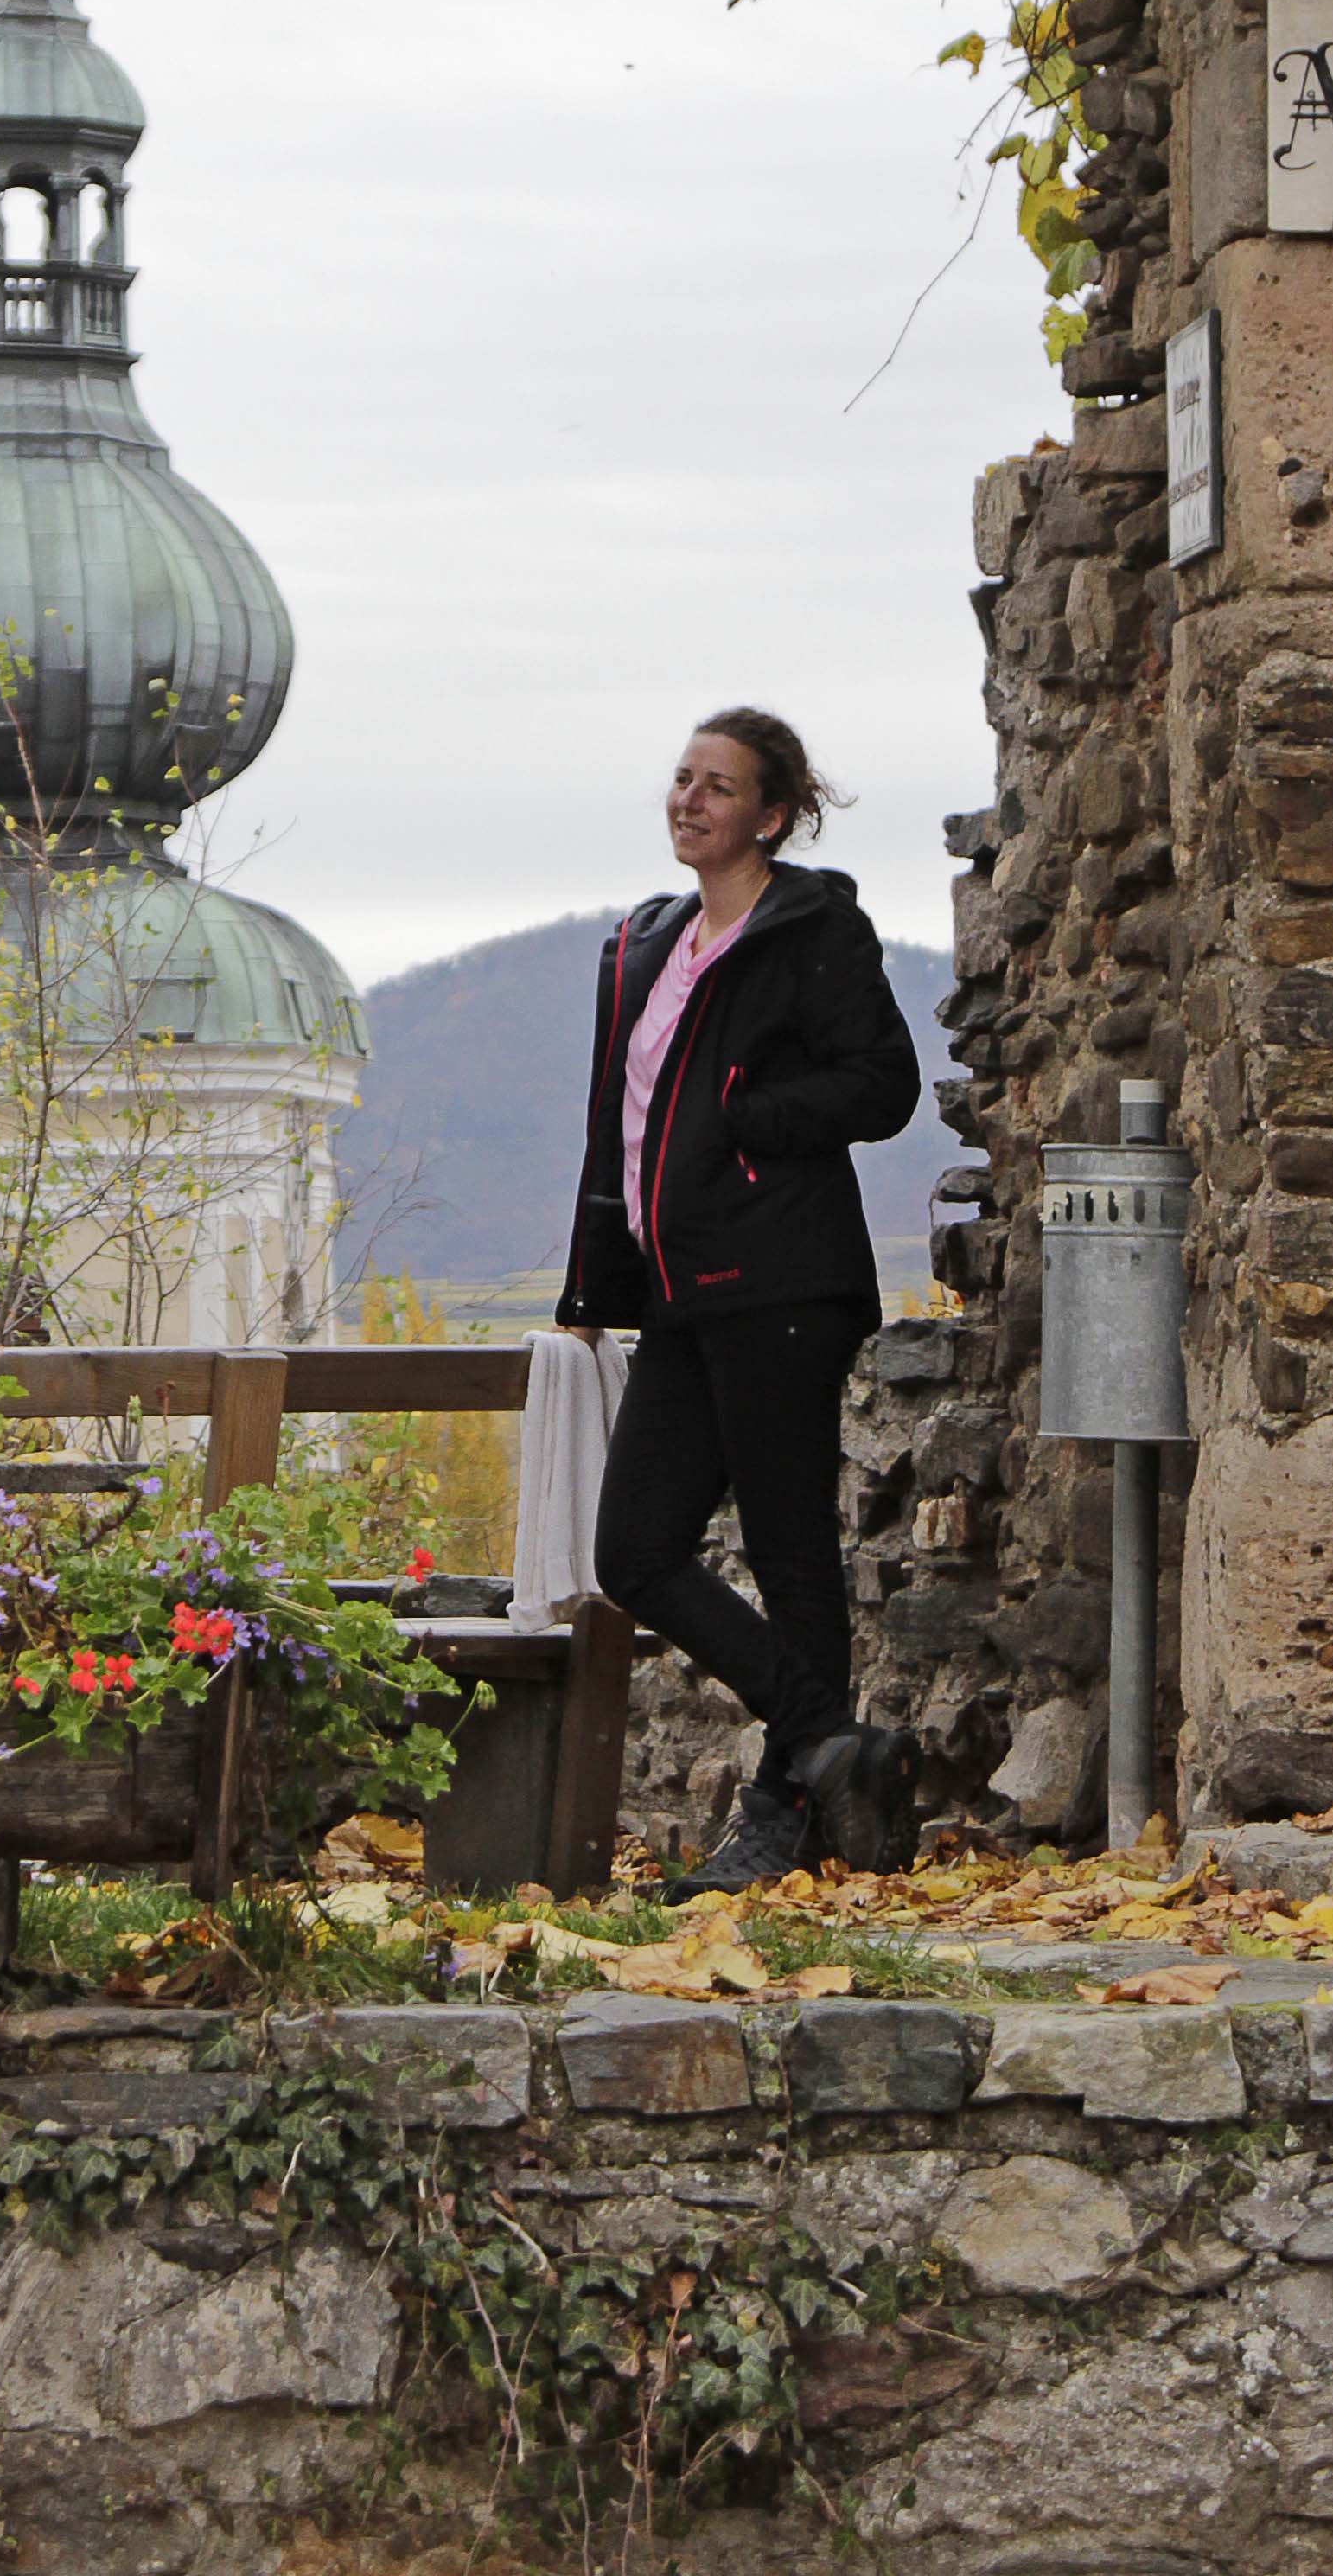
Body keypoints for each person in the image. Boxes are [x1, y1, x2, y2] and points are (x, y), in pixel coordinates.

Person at [558, 709, 922, 1886]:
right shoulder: (649, 940)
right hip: (678, 1289)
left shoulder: (812, 930)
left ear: (770, 816)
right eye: (682, 779)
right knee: (635, 1551)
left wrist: (745, 1118)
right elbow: (619, 1124)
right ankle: (827, 1744)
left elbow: (883, 1085)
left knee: (789, 1545)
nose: (689, 799)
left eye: (718, 787)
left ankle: (786, 1811)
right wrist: (595, 1276)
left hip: (781, 1279)